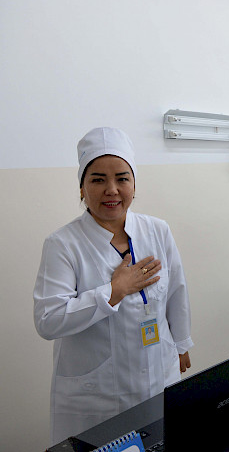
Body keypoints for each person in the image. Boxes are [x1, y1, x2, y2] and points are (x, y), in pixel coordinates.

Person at [33, 127, 193, 445]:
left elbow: (176, 291)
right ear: (82, 188)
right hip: (98, 393)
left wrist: (182, 344)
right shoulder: (62, 244)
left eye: (122, 178)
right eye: (98, 180)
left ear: (134, 184)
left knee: (160, 442)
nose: (112, 190)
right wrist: (113, 291)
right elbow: (48, 320)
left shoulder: (157, 230)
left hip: (158, 373)